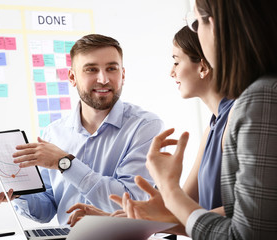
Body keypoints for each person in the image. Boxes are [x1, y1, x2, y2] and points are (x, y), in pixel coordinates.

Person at [114, 0, 277, 239]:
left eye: (196, 22)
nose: (171, 71)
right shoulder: (219, 120)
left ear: (216, 24)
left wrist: (169, 189)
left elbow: (245, 232)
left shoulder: (259, 99)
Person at [67, 26, 234, 230]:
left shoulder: (236, 116)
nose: (171, 71)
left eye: (176, 61)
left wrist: (167, 186)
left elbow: (247, 214)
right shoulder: (214, 124)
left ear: (203, 66)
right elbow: (185, 208)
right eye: (91, 69)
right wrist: (115, 219)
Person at [0, 34, 164, 225]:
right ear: (72, 77)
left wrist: (66, 164)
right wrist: (20, 192)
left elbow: (130, 202)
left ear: (122, 75)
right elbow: (46, 210)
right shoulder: (53, 133)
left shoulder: (145, 127)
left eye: (111, 69)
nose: (103, 79)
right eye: (91, 69)